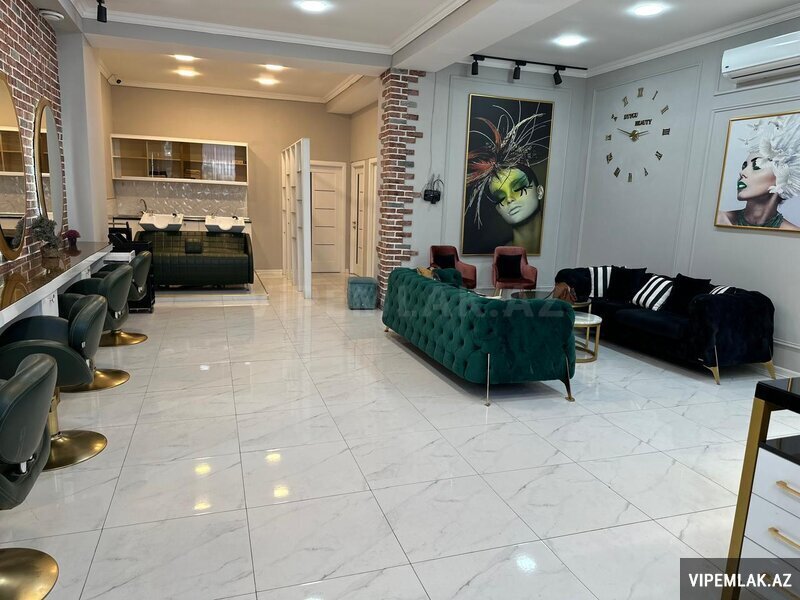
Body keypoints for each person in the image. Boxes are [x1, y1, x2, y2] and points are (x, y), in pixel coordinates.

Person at [465, 103, 551, 254]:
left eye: (519, 188)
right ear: (498, 209)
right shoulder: (497, 254)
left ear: (539, 191)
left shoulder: (559, 247)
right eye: (500, 198)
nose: (509, 199)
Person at [717, 114, 800, 230]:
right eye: (744, 166)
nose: (742, 172)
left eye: (757, 166)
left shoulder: (792, 233)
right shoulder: (720, 219)